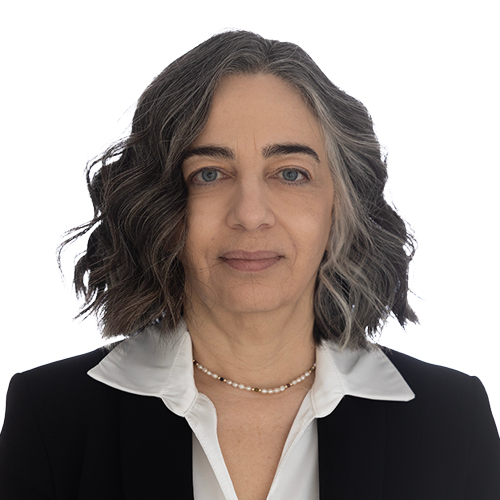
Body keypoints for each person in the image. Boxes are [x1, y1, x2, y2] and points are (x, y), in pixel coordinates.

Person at [0, 30, 499, 500]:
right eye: (209, 174)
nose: (251, 214)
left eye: (291, 173)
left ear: (341, 202)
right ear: (158, 204)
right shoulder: (51, 418)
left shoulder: (453, 419)